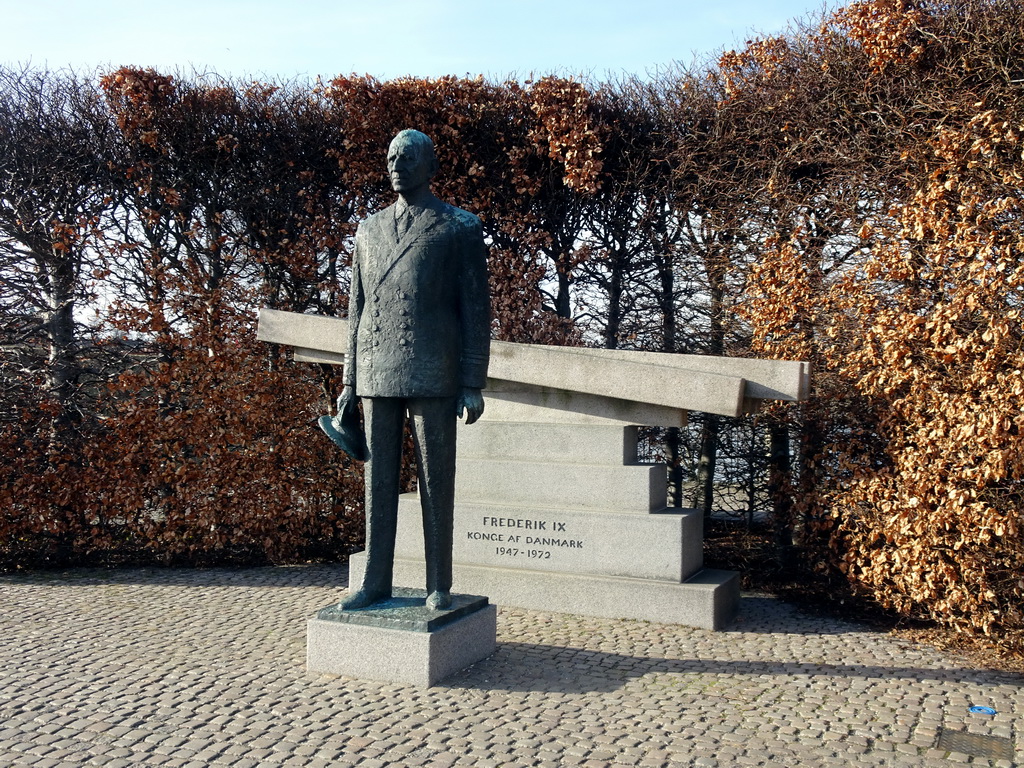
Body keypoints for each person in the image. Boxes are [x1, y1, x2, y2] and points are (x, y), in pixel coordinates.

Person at [333, 129, 490, 611]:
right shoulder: (368, 229)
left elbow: (475, 309)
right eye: (390, 155)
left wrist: (471, 380)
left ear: (429, 166)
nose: (395, 163)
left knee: (436, 481)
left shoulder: (459, 226)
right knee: (377, 484)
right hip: (377, 371)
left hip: (433, 371)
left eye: (406, 156)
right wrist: (349, 382)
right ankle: (375, 581)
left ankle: (438, 582)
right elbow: (355, 310)